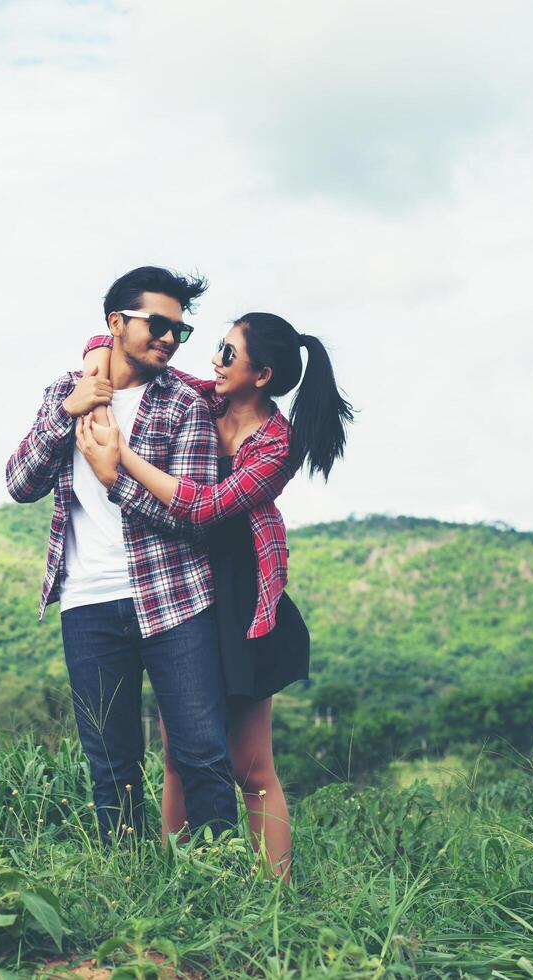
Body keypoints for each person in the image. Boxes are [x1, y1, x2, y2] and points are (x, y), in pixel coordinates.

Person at [74, 312, 352, 879]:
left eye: (228, 354)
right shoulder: (204, 399)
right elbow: (106, 341)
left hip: (241, 596)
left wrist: (118, 461)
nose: (213, 362)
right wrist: (90, 374)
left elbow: (206, 506)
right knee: (179, 754)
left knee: (250, 766)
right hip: (183, 580)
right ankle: (180, 879)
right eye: (217, 350)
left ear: (262, 374)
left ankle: (273, 894)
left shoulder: (277, 444)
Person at [4, 266, 238, 846]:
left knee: (202, 752)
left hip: (174, 599)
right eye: (157, 324)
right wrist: (65, 414)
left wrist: (116, 478)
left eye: (179, 331)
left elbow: (193, 513)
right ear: (116, 322)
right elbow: (19, 483)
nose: (168, 338)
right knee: (110, 763)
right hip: (86, 601)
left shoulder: (186, 404)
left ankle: (224, 887)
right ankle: (126, 887)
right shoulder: (67, 391)